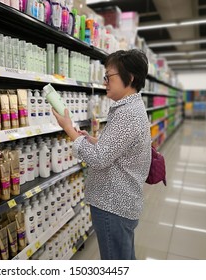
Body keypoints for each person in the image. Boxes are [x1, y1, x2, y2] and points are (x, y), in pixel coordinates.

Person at [52, 49, 152, 260]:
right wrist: (94, 141)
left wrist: (69, 129)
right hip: (121, 202)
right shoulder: (131, 107)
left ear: (130, 77)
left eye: (109, 76)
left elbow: (99, 159)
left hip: (112, 205)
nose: (105, 81)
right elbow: (119, 149)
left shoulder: (127, 113)